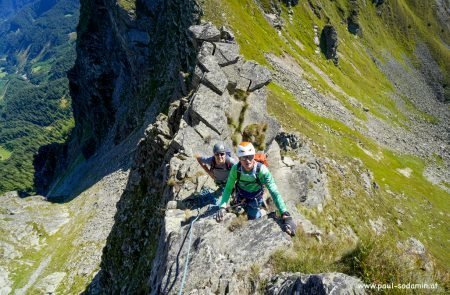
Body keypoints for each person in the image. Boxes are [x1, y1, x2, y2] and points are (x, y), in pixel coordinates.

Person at [215, 142, 296, 236]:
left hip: (255, 199)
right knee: (237, 213)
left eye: (250, 156)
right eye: (243, 157)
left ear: (254, 156)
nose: (247, 160)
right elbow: (228, 188)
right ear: (239, 158)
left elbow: (274, 192)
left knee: (253, 219)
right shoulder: (235, 169)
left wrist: (285, 214)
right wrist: (222, 206)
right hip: (240, 197)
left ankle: (261, 212)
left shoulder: (262, 171)